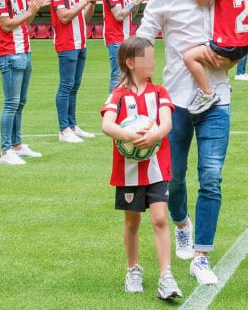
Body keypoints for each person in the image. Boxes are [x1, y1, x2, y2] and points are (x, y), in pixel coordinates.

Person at [137, 0, 230, 285]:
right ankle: (182, 225)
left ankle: (201, 257)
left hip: (217, 98)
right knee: (173, 178)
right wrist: (132, 83)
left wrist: (231, 56)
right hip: (173, 101)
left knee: (211, 176)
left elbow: (242, 35)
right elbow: (144, 39)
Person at [100, 36, 182, 300]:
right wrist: (130, 136)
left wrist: (154, 134)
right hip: (129, 169)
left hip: (158, 166)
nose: (153, 61)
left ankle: (165, 276)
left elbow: (167, 122)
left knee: (159, 218)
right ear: (131, 63)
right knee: (132, 220)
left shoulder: (160, 92)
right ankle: (132, 268)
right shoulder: (118, 95)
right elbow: (107, 125)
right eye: (147, 57)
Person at [0, 0, 49, 166]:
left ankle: (16, 144)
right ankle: (5, 150)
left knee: (20, 102)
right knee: (11, 103)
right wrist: (30, 10)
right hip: (9, 52)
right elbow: (6, 24)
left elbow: (25, 20)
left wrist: (34, 8)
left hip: (24, 49)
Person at [50, 0, 104, 143]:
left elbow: (85, 17)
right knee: (66, 85)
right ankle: (64, 129)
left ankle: (72, 125)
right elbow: (64, 16)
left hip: (81, 42)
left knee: (74, 86)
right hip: (67, 43)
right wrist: (84, 0)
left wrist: (91, 2)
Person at [102, 0, 151, 92]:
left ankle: (120, 104)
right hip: (116, 38)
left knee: (124, 75)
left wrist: (136, 3)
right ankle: (113, 106)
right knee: (118, 75)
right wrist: (133, 3)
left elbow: (130, 15)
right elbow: (118, 15)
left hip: (124, 38)